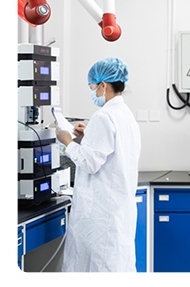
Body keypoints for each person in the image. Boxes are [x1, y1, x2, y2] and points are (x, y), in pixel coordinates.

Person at [55, 57, 141, 272]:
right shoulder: (125, 115)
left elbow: (89, 163)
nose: (92, 92)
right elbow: (112, 150)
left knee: (98, 268)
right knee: (115, 266)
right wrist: (88, 137)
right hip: (118, 209)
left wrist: (67, 141)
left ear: (103, 85)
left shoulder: (104, 116)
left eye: (92, 87)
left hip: (101, 214)